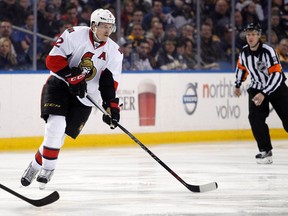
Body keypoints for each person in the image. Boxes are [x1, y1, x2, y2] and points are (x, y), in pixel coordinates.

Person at [20, 8, 123, 189]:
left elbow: (108, 82)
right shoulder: (74, 35)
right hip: (60, 85)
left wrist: (110, 106)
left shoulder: (114, 52)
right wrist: (71, 76)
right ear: (93, 25)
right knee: (55, 125)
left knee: (58, 136)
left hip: (86, 97)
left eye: (110, 27)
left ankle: (35, 165)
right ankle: (48, 170)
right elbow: (52, 60)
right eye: (104, 26)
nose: (107, 31)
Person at [233, 22, 288, 164]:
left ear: (259, 36)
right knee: (255, 118)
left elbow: (276, 74)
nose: (250, 37)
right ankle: (265, 151)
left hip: (276, 87)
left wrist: (264, 92)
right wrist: (237, 84)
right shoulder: (244, 52)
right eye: (248, 34)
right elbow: (241, 68)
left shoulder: (269, 51)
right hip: (257, 88)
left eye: (253, 34)